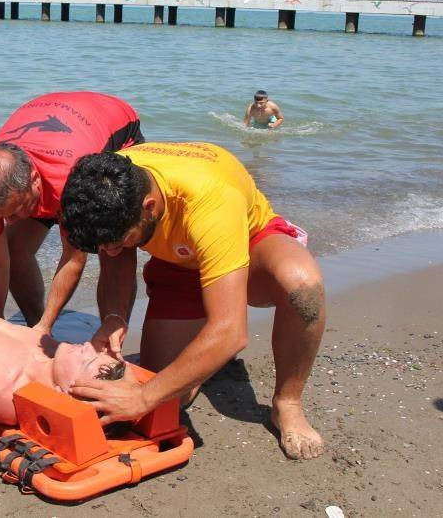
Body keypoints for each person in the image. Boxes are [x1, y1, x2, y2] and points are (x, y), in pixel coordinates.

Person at [59, 143, 327, 460]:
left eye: (120, 243)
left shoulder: (211, 202)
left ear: (149, 206)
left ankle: (287, 402)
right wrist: (115, 317)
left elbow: (231, 333)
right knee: (172, 397)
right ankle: (206, 340)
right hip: (179, 262)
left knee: (302, 288)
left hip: (247, 248)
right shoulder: (108, 184)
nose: (112, 253)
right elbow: (115, 258)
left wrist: (143, 397)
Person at [0, 91, 144, 325]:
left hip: (117, 129)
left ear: (34, 180)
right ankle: (33, 321)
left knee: (112, 247)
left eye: (17, 210)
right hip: (49, 116)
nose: (12, 221)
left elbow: (73, 258)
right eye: (5, 215)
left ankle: (112, 336)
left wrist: (46, 327)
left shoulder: (71, 183)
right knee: (14, 248)